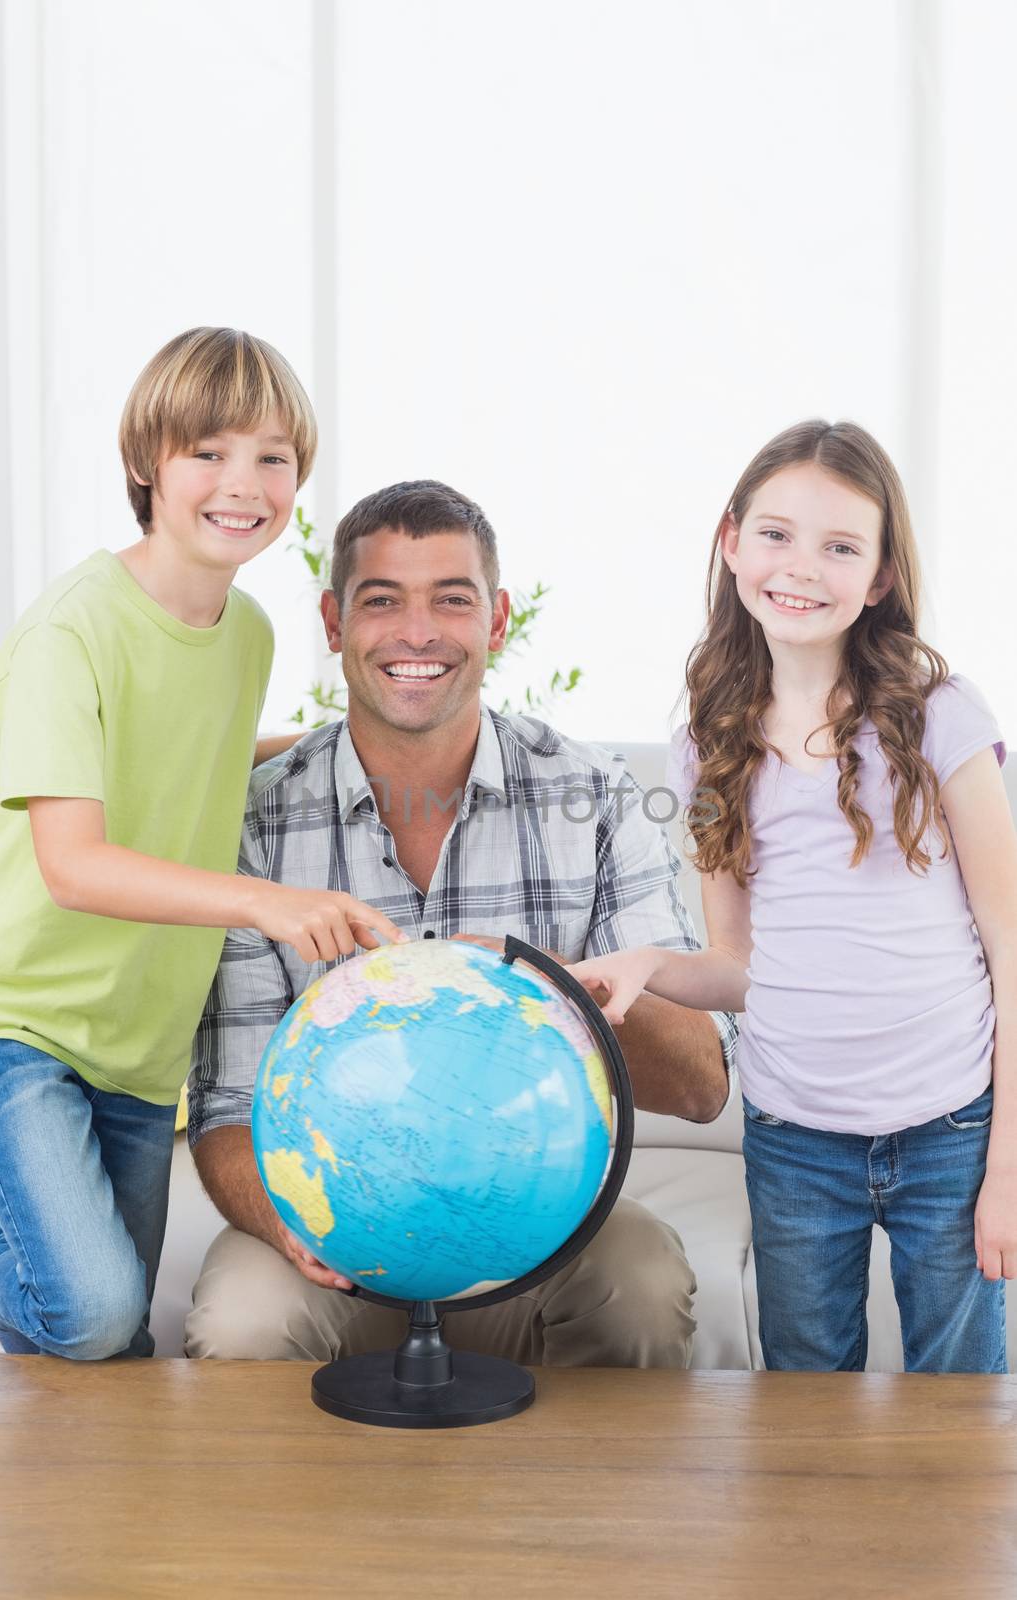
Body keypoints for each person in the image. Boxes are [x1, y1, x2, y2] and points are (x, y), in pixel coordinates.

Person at [186, 479, 736, 1369]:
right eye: (381, 601)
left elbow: (701, 1084)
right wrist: (297, 1237)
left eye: (452, 598)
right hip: (339, 1242)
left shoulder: (593, 799)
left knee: (641, 1284)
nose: (416, 632)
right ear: (332, 624)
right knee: (242, 1320)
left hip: (540, 1234)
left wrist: (547, 986)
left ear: (499, 618)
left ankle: (589, 1515)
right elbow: (226, 1109)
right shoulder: (255, 823)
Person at [0, 327, 400, 1361]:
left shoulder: (245, 633)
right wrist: (269, 903)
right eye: (209, 452)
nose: (242, 483)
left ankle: (74, 1513)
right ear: (148, 462)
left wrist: (343, 739)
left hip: (145, 1041)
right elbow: (74, 862)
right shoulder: (75, 628)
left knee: (101, 1346)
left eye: (272, 458)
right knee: (96, 1311)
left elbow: (194, 749)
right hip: (18, 1012)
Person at [570, 419, 1017, 1373]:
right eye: (775, 534)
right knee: (805, 1423)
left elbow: (1010, 953)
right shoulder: (710, 738)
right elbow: (737, 969)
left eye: (839, 546)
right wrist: (646, 964)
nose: (800, 566)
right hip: (795, 1140)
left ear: (882, 575)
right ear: (730, 542)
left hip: (951, 1130)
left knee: (960, 1420)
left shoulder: (942, 715)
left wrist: (1008, 1168)